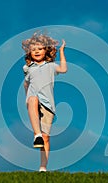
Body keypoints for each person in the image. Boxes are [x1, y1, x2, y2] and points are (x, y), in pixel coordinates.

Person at [22, 32, 67, 172]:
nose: (36, 51)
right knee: (33, 99)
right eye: (33, 48)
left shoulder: (51, 66)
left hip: (49, 105)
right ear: (29, 52)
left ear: (46, 50)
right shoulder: (28, 68)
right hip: (34, 101)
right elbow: (26, 84)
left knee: (46, 138)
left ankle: (43, 167)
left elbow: (63, 69)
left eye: (40, 48)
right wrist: (27, 98)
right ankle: (37, 135)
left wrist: (61, 52)